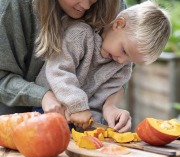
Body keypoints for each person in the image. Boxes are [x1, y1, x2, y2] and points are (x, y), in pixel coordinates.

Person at [35, 0, 171, 132]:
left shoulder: (123, 65)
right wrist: (78, 106)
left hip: (82, 120)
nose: (122, 61)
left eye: (131, 60)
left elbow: (102, 98)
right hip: (48, 110)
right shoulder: (80, 35)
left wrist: (101, 116)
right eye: (124, 51)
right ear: (118, 24)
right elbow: (58, 72)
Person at [0, 0, 128, 117]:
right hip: (12, 118)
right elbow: (2, 78)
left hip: (82, 121)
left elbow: (124, 66)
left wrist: (110, 105)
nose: (86, 5)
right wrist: (43, 96)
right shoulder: (13, 5)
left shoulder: (114, 5)